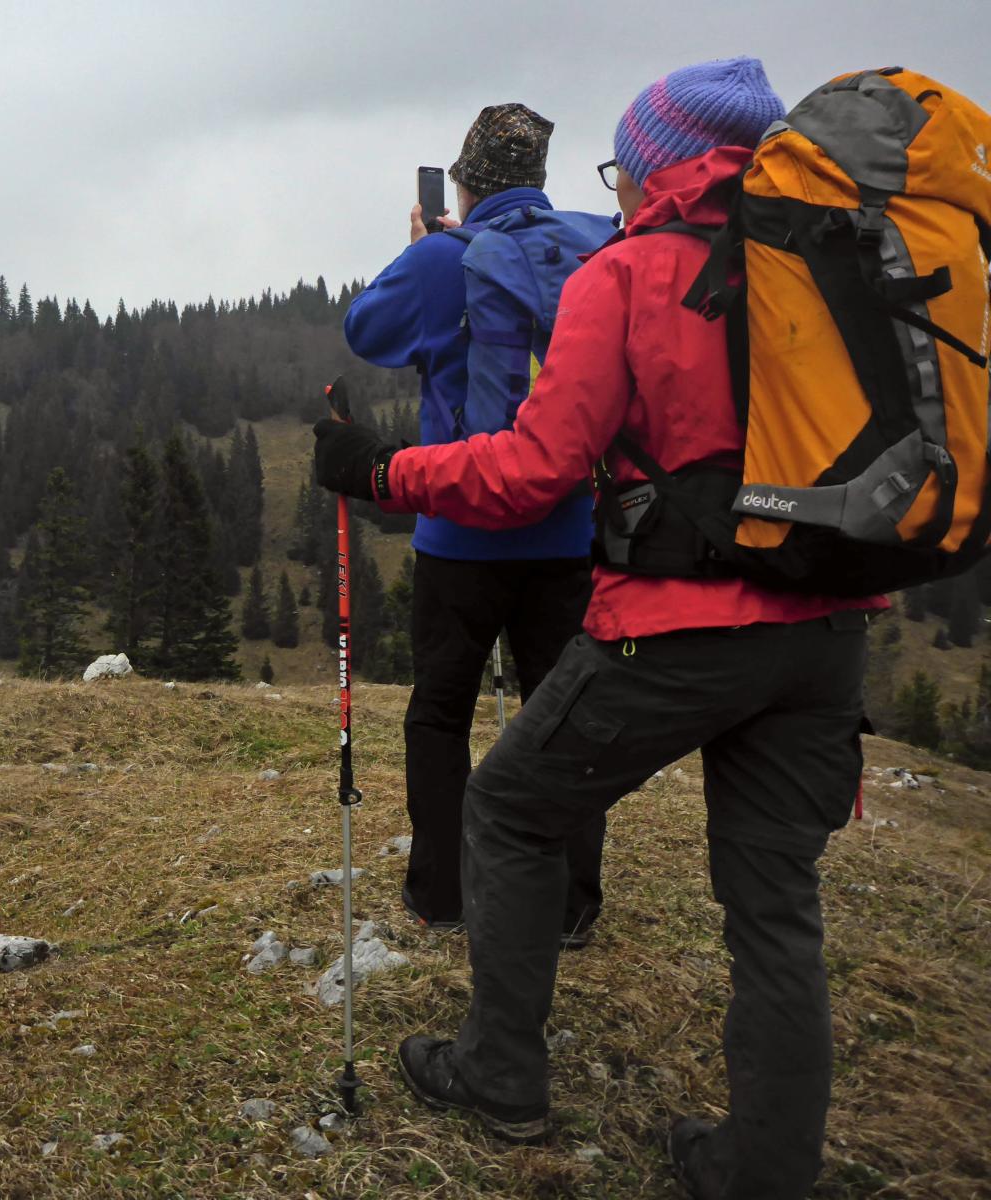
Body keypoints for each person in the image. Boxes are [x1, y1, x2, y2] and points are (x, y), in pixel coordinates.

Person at [313, 57, 882, 1200]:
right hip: (823, 629)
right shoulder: (828, 266)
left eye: (627, 169)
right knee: (776, 910)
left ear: (664, 170)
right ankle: (767, 1165)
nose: (615, 191)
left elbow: (535, 467)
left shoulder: (631, 275)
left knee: (513, 806)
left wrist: (383, 467)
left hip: (675, 624)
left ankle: (500, 1076)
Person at [342, 103, 612, 943]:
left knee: (442, 710)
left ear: (463, 180)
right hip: (570, 525)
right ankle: (569, 903)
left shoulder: (442, 259)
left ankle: (443, 894)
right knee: (560, 713)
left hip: (458, 526)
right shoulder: (593, 246)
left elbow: (366, 330)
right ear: (538, 177)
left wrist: (425, 242)